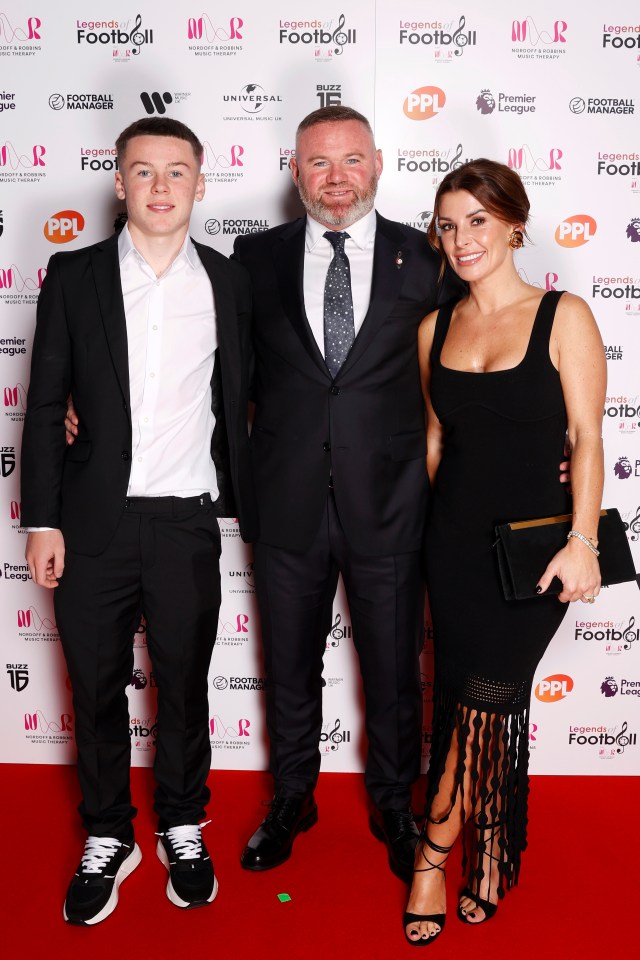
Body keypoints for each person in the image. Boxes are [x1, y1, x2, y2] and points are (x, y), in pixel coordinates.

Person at [21, 117, 257, 925]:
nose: (161, 187)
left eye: (177, 172)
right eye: (144, 172)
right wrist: (41, 522)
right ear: (119, 184)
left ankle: (184, 824)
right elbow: (47, 404)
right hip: (90, 525)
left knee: (184, 685)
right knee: (93, 689)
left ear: (200, 182)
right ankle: (107, 834)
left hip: (186, 522)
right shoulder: (74, 274)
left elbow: (253, 398)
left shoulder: (229, 282)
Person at [232, 106, 463, 880]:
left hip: (393, 503)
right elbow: (215, 374)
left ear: (380, 163)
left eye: (351, 161)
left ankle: (395, 802)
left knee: (395, 669)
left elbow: (467, 377)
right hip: (287, 501)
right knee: (288, 663)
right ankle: (293, 794)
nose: (336, 179)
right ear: (294, 170)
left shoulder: (426, 259)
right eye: (319, 163)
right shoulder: (252, 257)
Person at [403, 159, 605, 945]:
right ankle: (490, 844)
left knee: (487, 698)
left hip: (536, 556)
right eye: (448, 225)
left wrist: (583, 540)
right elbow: (435, 441)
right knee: (463, 700)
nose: (461, 240)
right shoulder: (435, 327)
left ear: (514, 223)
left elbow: (587, 440)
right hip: (450, 546)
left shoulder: (565, 316)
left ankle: (431, 854)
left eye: (477, 221)